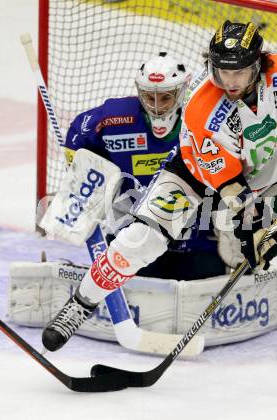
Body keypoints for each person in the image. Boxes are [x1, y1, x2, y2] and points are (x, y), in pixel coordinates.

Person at [42, 21, 277, 391]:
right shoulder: (202, 108)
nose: (229, 80)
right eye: (221, 70)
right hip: (196, 175)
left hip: (269, 179)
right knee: (138, 241)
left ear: (259, 64)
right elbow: (228, 185)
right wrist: (252, 229)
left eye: (238, 71)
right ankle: (81, 304)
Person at [63, 52, 226, 280]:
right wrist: (82, 174)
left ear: (181, 94)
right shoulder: (116, 120)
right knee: (140, 285)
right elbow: (79, 132)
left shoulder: (203, 121)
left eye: (166, 97)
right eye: (150, 97)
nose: (157, 106)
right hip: (133, 235)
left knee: (205, 279)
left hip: (194, 239)